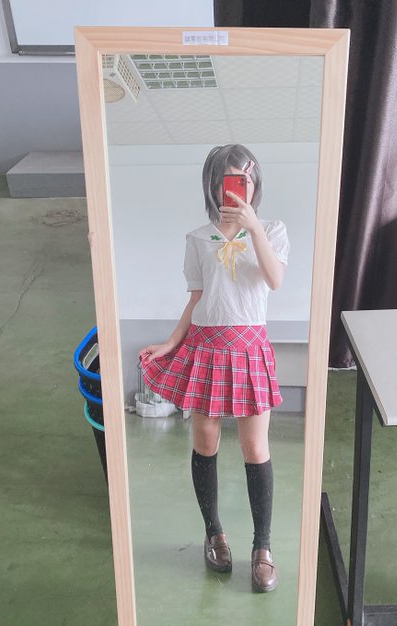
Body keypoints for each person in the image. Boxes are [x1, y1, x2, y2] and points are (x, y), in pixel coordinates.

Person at [139, 144, 290, 593]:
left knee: (255, 447)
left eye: (247, 179)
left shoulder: (273, 230)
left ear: (256, 183)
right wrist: (171, 342)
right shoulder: (197, 238)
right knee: (205, 443)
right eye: (230, 180)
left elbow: (275, 279)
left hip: (249, 350)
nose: (240, 188)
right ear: (213, 185)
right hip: (205, 348)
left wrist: (253, 227)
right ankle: (214, 534)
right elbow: (197, 299)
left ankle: (262, 547)